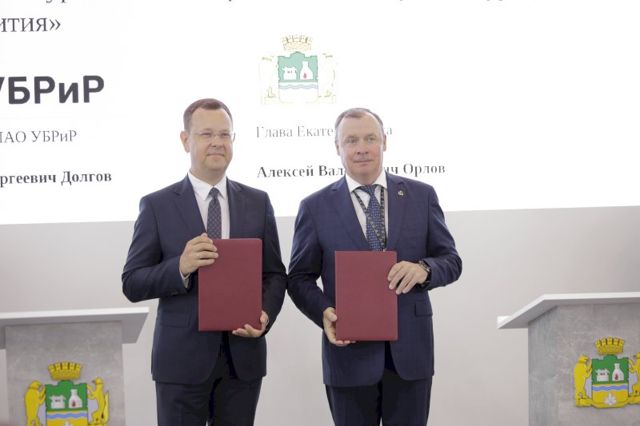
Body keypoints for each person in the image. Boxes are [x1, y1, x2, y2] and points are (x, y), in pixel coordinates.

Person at [287, 107, 462, 425]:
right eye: (351, 140)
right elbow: (299, 278)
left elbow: (451, 260)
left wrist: (424, 269)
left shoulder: (421, 196)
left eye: (370, 138)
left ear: (385, 142)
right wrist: (324, 312)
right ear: (337, 147)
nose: (362, 148)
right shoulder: (314, 207)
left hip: (410, 354)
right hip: (348, 356)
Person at [122, 98, 287, 426]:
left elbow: (274, 275)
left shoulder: (258, 202)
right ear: (186, 140)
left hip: (242, 360)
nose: (217, 142)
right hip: (181, 362)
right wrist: (180, 267)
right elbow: (133, 282)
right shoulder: (157, 206)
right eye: (206, 134)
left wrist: (265, 315)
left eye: (225, 134)